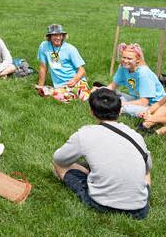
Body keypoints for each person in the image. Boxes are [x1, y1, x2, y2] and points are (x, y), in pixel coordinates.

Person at [52, 87, 152, 219]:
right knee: (146, 171)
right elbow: (147, 167)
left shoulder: (85, 134)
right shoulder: (136, 136)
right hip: (140, 209)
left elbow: (59, 158)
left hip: (101, 204)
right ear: (119, 111)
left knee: (58, 166)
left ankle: (95, 180)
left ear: (91, 112)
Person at [105, 43, 165, 117]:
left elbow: (144, 102)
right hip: (136, 98)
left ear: (138, 60)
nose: (125, 61)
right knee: (110, 94)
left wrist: (121, 104)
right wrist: (100, 93)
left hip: (152, 105)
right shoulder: (123, 67)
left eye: (129, 58)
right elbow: (112, 86)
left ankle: (116, 109)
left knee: (125, 108)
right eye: (124, 57)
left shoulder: (144, 73)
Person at [36, 24, 87, 88]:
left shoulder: (70, 49)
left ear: (63, 36)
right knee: (55, 95)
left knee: (81, 96)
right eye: (55, 35)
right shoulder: (44, 46)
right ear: (49, 37)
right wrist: (40, 86)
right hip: (60, 86)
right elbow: (43, 67)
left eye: (60, 35)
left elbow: (82, 70)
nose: (58, 38)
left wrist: (75, 80)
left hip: (77, 81)